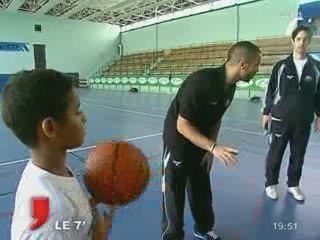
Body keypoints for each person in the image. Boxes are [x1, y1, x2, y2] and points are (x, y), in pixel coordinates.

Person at [161, 41, 262, 240]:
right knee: (174, 191)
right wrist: (214, 147)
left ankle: (203, 228)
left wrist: (209, 150)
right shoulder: (202, 81)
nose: (258, 69)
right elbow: (182, 126)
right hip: (178, 142)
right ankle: (172, 235)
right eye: (256, 64)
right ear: (243, 64)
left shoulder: (230, 87)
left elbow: (216, 119)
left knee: (201, 186)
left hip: (203, 142)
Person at [1, 70, 113, 239]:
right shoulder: (52, 219)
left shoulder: (52, 169)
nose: (84, 118)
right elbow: (59, 220)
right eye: (77, 111)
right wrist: (99, 236)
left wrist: (84, 210)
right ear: (50, 128)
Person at [262, 25, 320, 201]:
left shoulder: (316, 67)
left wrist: (319, 114)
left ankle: (293, 185)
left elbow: (319, 94)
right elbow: (270, 90)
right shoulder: (281, 66)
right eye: (299, 39)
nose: (302, 42)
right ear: (293, 41)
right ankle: (270, 184)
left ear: (309, 42)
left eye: (305, 39)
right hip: (281, 118)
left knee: (298, 155)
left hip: (303, 121)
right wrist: (266, 112)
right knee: (276, 153)